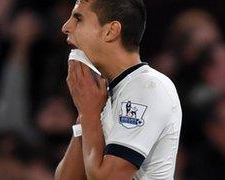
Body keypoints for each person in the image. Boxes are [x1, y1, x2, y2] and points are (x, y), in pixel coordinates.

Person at [54, 0, 182, 180]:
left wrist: (89, 114)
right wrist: (86, 114)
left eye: (78, 19)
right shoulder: (101, 94)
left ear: (110, 31)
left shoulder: (149, 87)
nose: (66, 27)